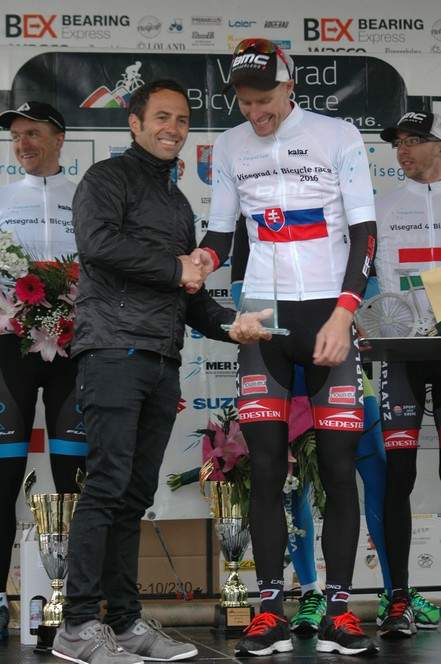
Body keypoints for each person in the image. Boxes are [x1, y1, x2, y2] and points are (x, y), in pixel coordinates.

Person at [52, 79, 270, 664]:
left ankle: (124, 624)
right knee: (106, 486)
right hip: (112, 350)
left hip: (160, 357)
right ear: (135, 123)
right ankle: (77, 625)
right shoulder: (106, 179)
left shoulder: (175, 202)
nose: (173, 128)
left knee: (133, 495)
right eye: (162, 117)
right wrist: (177, 268)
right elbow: (98, 246)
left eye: (182, 119)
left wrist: (231, 325)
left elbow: (188, 294)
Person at [192, 38, 379, 656]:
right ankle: (269, 610)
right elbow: (222, 232)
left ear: (289, 85)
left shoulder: (337, 135)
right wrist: (202, 260)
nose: (256, 113)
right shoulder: (230, 145)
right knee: (267, 470)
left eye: (265, 100)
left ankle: (340, 611)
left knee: (340, 468)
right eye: (245, 103)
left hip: (328, 314)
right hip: (263, 321)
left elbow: (365, 231)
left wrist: (344, 313)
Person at [0, 101, 87, 641]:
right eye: (16, 136)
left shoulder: (86, 197)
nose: (23, 144)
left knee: (73, 480)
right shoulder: (3, 198)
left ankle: (73, 601)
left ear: (59, 138)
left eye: (33, 133)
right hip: (9, 350)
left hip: (72, 352)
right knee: (1, 480)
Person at [374, 111, 441, 638]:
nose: (404, 150)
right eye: (398, 142)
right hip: (401, 352)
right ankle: (398, 599)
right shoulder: (381, 206)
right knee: (399, 475)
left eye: (415, 139)